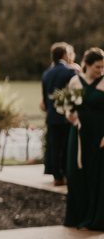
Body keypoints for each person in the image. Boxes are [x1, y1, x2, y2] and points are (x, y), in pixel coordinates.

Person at [64, 47, 104, 231]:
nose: (101, 70)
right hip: (79, 134)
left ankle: (96, 218)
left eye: (103, 67)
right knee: (75, 173)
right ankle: (78, 216)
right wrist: (69, 116)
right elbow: (67, 107)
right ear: (86, 64)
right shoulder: (75, 82)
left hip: (99, 136)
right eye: (97, 67)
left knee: (97, 175)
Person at [40, 42, 78, 185]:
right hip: (67, 116)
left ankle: (57, 177)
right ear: (64, 55)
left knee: (55, 148)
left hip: (51, 116)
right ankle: (67, 175)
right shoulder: (70, 72)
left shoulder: (46, 73)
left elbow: (44, 98)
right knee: (68, 147)